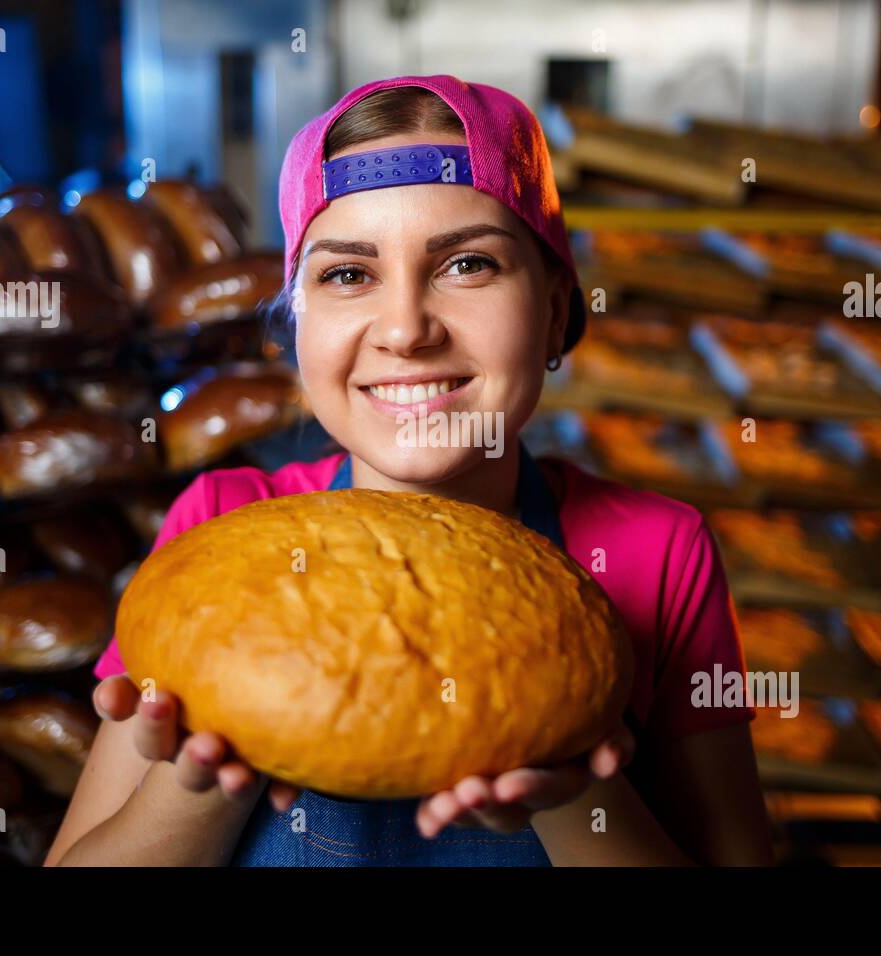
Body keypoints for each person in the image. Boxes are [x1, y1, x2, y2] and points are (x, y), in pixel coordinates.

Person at [45, 74, 772, 866]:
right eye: (348, 274)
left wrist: (572, 784)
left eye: (468, 265)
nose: (405, 329)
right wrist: (201, 777)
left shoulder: (658, 552)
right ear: (297, 327)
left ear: (557, 309)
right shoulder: (218, 530)